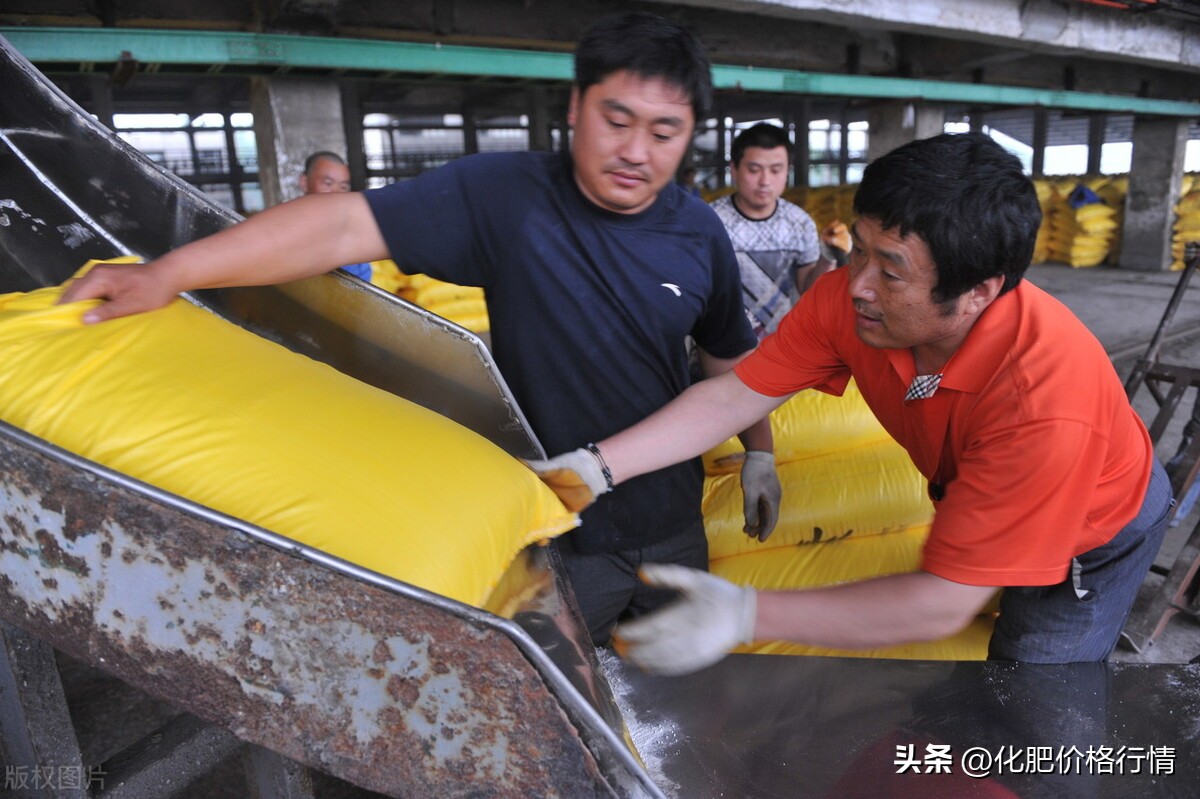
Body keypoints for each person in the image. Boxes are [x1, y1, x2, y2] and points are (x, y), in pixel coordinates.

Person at [58, 12, 779, 648]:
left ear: (690, 135)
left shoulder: (697, 231)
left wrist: (759, 456)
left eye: (663, 132)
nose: (635, 151)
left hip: (672, 522)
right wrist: (171, 272)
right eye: (616, 120)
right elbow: (341, 223)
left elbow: (728, 360)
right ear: (575, 106)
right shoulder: (509, 199)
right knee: (562, 708)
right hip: (558, 526)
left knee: (681, 701)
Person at [531, 132, 1174, 671]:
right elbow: (733, 395)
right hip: (991, 484)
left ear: (977, 292)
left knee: (1029, 687)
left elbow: (943, 602)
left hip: (1093, 532)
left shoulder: (1043, 403)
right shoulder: (854, 300)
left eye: (890, 270)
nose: (857, 284)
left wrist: (745, 613)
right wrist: (597, 465)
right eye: (857, 250)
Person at [710, 123, 848, 339]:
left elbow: (808, 289)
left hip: (780, 347)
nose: (765, 181)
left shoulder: (799, 222)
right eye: (754, 170)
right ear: (734, 169)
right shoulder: (711, 221)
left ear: (787, 172)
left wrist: (827, 257)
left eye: (776, 170)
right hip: (721, 345)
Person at [298, 151, 374, 282]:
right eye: (328, 183)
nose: (336, 193)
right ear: (305, 182)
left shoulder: (353, 239)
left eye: (343, 186)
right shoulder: (287, 227)